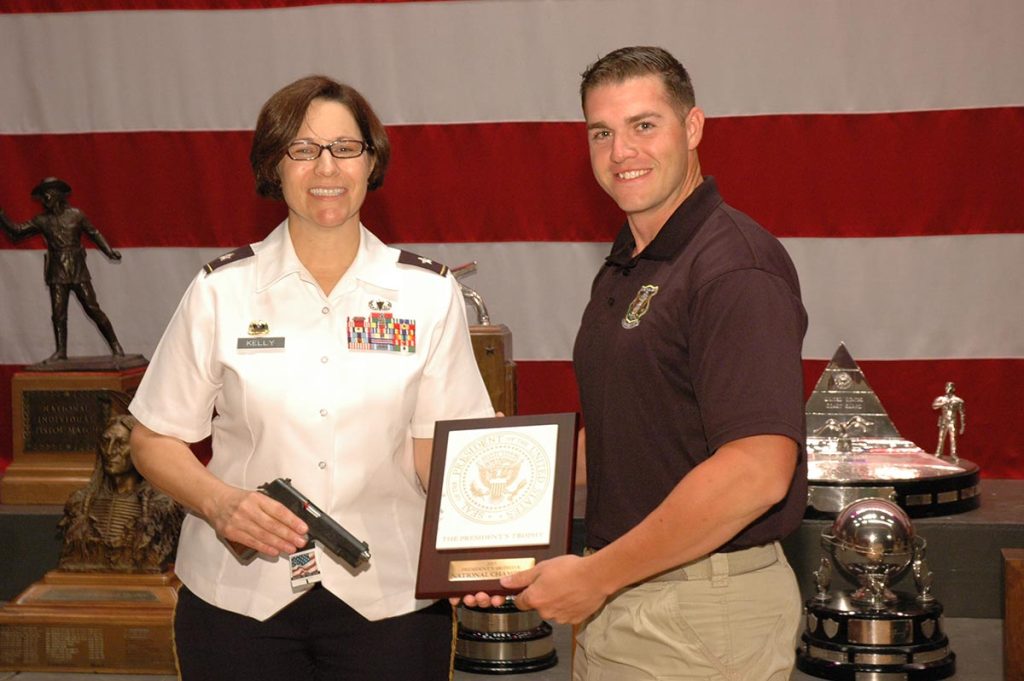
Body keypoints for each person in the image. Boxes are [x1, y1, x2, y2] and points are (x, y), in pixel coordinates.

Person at [128, 75, 493, 681]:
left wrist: (485, 547)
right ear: (274, 166)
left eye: (346, 148)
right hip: (239, 598)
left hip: (391, 600)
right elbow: (152, 438)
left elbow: (439, 451)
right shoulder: (221, 291)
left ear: (371, 161)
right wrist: (219, 504)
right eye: (302, 149)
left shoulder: (428, 294)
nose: (327, 166)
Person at [469, 47, 809, 681]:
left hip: (700, 607)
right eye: (602, 131)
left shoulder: (733, 267)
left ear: (694, 127)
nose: (621, 150)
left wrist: (596, 576)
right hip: (631, 595)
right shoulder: (634, 259)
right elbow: (631, 434)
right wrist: (478, 503)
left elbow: (758, 469)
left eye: (644, 125)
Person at [0, 177, 125, 362]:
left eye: (47, 195)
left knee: (92, 307)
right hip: (57, 270)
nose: (44, 199)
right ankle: (61, 351)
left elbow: (94, 233)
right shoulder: (42, 220)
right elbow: (17, 231)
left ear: (58, 194)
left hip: (77, 268)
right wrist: (1, 215)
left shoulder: (76, 215)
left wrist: (109, 251)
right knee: (58, 313)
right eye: (42, 196)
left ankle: (115, 345)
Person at [59, 413, 185, 573]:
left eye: (120, 443)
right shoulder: (79, 502)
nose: (110, 451)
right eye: (105, 442)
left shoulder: (161, 506)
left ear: (140, 450)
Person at [932, 381, 965, 460]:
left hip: (953, 421)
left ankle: (953, 454)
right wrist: (942, 404)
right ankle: (938, 452)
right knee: (941, 437)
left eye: (950, 387)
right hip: (943, 420)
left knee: (953, 438)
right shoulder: (941, 399)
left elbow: (962, 414)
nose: (948, 389)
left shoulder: (958, 400)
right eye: (947, 387)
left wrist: (962, 426)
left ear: (953, 389)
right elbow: (934, 406)